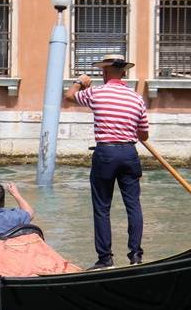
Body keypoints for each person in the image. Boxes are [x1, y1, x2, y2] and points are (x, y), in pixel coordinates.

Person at [64, 54, 149, 268]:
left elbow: (69, 96)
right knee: (133, 206)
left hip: (105, 154)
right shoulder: (136, 98)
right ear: (124, 72)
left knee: (102, 207)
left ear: (105, 72)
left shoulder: (96, 93)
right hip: (129, 153)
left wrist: (80, 82)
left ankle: (105, 259)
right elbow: (144, 135)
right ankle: (136, 257)